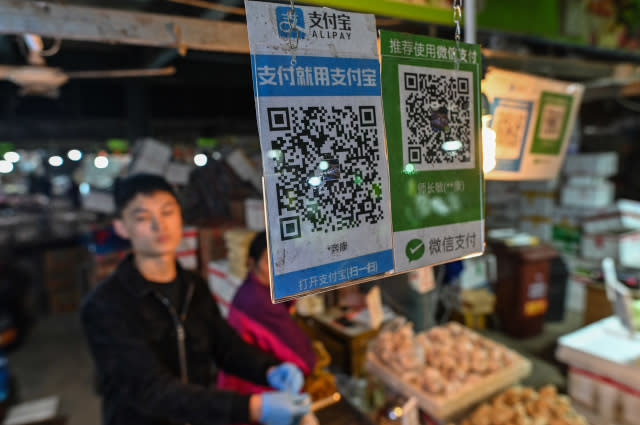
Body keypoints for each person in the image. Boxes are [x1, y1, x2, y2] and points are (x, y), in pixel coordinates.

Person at [81, 174, 310, 425]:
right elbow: (151, 390)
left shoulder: (193, 286)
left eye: (167, 212)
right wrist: (251, 407)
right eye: (143, 217)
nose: (160, 225)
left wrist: (269, 369)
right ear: (121, 227)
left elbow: (225, 345)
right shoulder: (106, 304)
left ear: (180, 216)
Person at [217, 232, 316, 394]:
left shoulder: (254, 288)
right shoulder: (257, 300)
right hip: (252, 388)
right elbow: (303, 358)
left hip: (246, 377)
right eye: (268, 260)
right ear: (251, 262)